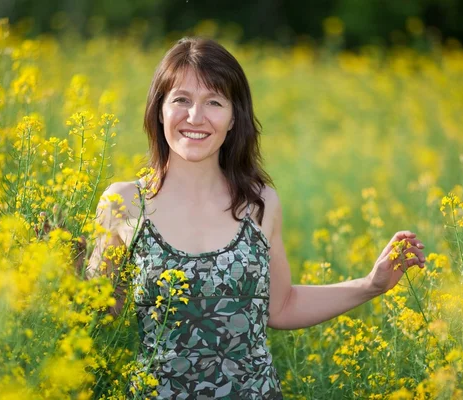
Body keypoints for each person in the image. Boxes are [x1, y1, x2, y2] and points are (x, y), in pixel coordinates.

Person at [85, 37, 426, 399]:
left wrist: (372, 284)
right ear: (159, 110)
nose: (195, 117)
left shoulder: (259, 203)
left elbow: (281, 307)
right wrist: (57, 272)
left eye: (213, 102)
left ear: (233, 118)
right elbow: (102, 308)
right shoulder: (123, 202)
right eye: (181, 100)